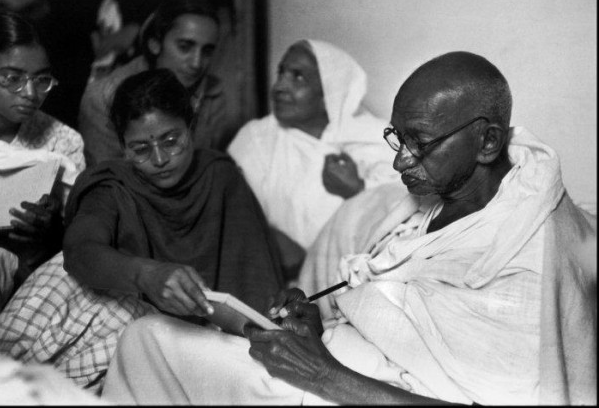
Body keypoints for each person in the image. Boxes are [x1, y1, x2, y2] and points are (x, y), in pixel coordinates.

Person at [101, 51, 596, 405]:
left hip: (347, 389)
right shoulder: (443, 201)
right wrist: (320, 320)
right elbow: (402, 304)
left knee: (147, 342)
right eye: (397, 138)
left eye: (418, 143)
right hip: (339, 364)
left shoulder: (533, 260)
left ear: (487, 142)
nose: (401, 160)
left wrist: (322, 372)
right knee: (146, 339)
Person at [0, 68, 283, 393]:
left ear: (191, 127)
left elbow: (256, 281)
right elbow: (80, 250)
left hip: (192, 336)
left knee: (138, 325)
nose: (159, 158)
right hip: (120, 318)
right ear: (123, 147)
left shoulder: (221, 178)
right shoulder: (112, 183)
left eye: (171, 141)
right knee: (67, 279)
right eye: (140, 149)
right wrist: (148, 276)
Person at [0, 12, 84, 334]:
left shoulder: (62, 141)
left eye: (41, 79)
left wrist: (52, 229)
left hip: (13, 279)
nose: (30, 93)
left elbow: (81, 234)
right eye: (12, 78)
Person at [227, 39, 400, 279]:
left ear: (330, 92)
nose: (279, 86)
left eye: (298, 77)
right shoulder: (257, 139)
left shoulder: (375, 138)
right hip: (272, 276)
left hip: (358, 279)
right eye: (281, 73)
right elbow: (235, 218)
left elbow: (404, 218)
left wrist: (358, 191)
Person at [78, 0, 235, 167]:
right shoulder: (103, 98)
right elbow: (106, 182)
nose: (197, 63)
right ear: (155, 44)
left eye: (206, 51)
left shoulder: (213, 93)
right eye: (184, 47)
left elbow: (207, 170)